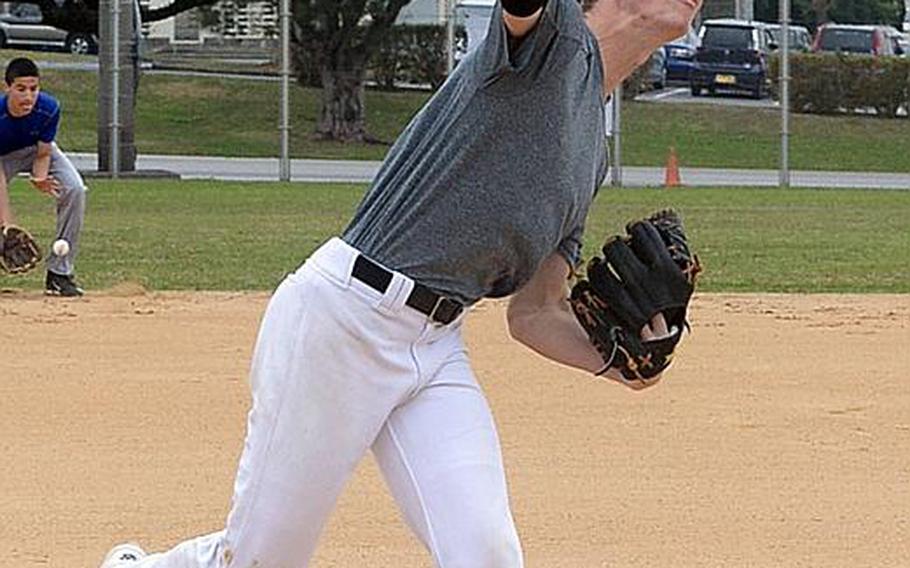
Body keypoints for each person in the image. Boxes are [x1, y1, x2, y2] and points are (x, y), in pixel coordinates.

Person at [99, 0, 702, 566]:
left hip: (435, 347)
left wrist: (621, 365)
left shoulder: (590, 153)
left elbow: (534, 313)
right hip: (344, 322)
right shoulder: (554, 39)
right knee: (262, 558)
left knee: (487, 555)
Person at [0, 57, 87, 296]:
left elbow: (43, 152)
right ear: (6, 88)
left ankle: (59, 273)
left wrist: (39, 178)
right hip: (2, 157)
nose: (28, 96)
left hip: (35, 151)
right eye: (20, 89)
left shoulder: (49, 108)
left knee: (74, 189)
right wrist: (8, 225)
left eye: (33, 89)